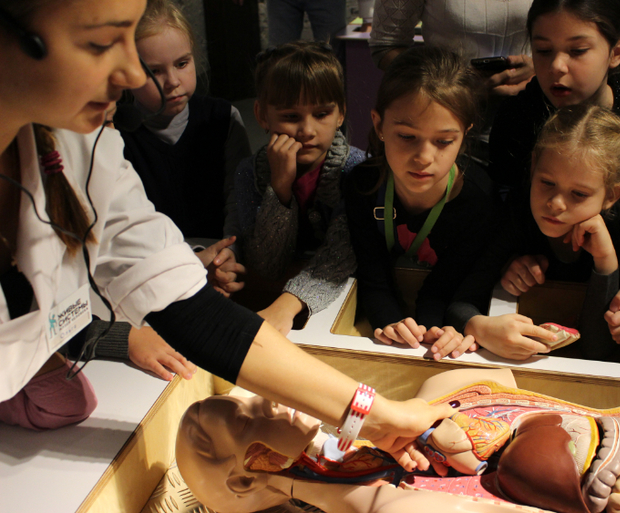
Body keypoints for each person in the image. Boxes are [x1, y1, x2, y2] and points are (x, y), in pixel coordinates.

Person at [0, 0, 454, 469]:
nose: (133, 76)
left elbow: (195, 314)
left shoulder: (80, 146)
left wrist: (373, 416)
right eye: (99, 43)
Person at [175, 368, 620, 513]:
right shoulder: (374, 499)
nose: (268, 402)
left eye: (255, 397)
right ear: (244, 476)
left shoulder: (386, 429)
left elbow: (487, 379)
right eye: (246, 420)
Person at [488, 0, 620, 340]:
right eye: (543, 50)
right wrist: (509, 260)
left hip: (614, 297)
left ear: (616, 51)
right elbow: (502, 212)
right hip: (534, 293)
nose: (557, 66)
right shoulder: (516, 117)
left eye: (577, 51)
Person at [344, 47, 498, 361]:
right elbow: (372, 276)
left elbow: (446, 289)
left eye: (443, 141)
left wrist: (432, 331)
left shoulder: (480, 203)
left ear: (464, 135)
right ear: (379, 125)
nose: (424, 157)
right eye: (407, 136)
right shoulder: (360, 185)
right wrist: (390, 322)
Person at [447, 105, 620, 361]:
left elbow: (597, 350)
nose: (556, 203)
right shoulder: (516, 215)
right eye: (547, 183)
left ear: (612, 195)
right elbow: (459, 304)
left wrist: (605, 262)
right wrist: (479, 326)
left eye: (578, 194)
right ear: (534, 164)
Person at [232, 41, 365, 334]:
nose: (307, 130)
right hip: (276, 302)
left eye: (321, 114)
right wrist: (280, 187)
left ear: (340, 113)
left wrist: (286, 305)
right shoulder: (250, 173)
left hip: (341, 304)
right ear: (262, 115)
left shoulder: (357, 171)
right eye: (291, 117)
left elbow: (342, 256)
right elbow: (266, 266)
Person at [118, 0, 251, 246]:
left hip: (220, 253)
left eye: (182, 64)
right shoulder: (115, 133)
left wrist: (229, 251)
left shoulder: (223, 118)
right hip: (155, 258)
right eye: (154, 71)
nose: (172, 81)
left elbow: (240, 199)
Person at [369, 0, 535, 95]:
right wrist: (447, 83)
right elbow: (386, 46)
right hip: (448, 114)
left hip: (534, 107)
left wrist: (538, 68)